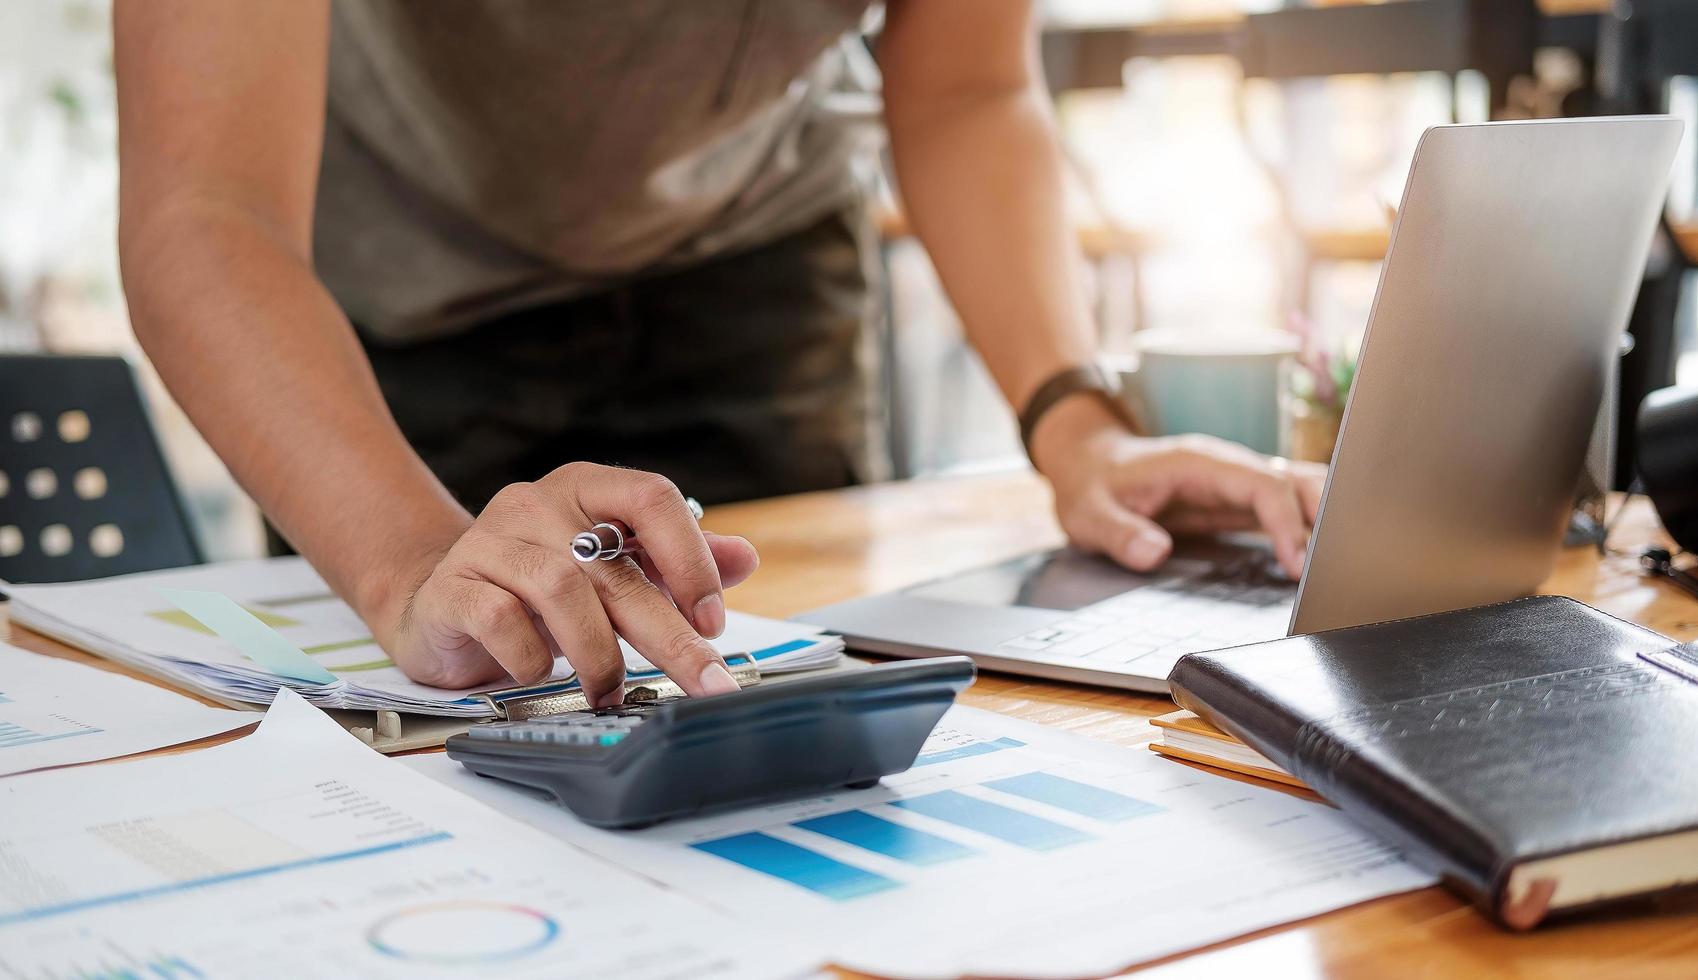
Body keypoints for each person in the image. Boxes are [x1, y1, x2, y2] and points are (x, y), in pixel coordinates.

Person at [114, 0, 1324, 708]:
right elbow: (206, 206)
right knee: (442, 712)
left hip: (758, 266)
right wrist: (412, 563)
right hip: (395, 304)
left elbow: (963, 89)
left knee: (783, 723)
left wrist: (1077, 424)